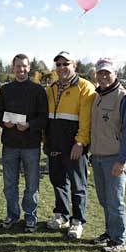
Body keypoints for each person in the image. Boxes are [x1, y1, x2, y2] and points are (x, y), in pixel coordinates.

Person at [44, 51, 96, 239]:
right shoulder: (51, 88)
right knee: (58, 181)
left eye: (65, 64)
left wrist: (80, 142)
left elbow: (86, 120)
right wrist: (46, 141)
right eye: (58, 65)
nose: (61, 68)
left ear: (74, 65)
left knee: (78, 184)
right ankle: (62, 215)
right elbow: (47, 118)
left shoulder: (85, 87)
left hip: (74, 145)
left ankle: (77, 221)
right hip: (54, 143)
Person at [90, 58, 126, 252]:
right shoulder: (97, 96)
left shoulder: (124, 98)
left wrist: (122, 160)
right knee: (104, 200)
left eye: (107, 73)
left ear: (115, 74)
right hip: (98, 157)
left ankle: (119, 239)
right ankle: (110, 233)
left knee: (116, 200)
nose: (103, 76)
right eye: (100, 73)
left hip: (114, 159)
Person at [0, 54, 48, 232]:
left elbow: (44, 118)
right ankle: (12, 215)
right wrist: (4, 123)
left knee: (31, 185)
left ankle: (30, 217)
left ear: (29, 68)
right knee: (9, 184)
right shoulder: (5, 90)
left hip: (31, 146)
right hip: (10, 145)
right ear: (13, 68)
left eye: (24, 66)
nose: (21, 69)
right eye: (18, 66)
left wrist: (29, 125)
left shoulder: (38, 90)